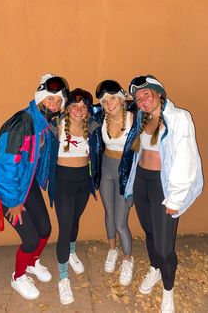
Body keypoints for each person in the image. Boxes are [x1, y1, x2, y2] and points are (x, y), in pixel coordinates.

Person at [124, 75, 203, 312]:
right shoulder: (141, 118)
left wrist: (176, 198)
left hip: (163, 187)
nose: (143, 101)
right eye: (138, 98)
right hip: (142, 182)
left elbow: (186, 159)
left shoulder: (179, 118)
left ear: (158, 93)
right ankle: (154, 269)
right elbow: (135, 154)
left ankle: (168, 292)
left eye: (146, 94)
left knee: (165, 246)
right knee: (149, 232)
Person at [0, 73, 69, 300]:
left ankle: (32, 263)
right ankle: (18, 276)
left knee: (45, 229)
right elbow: (3, 167)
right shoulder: (21, 123)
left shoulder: (44, 123)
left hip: (26, 183)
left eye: (58, 101)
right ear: (40, 97)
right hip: (7, 191)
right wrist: (13, 202)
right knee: (31, 239)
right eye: (50, 99)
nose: (54, 105)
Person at [48, 88, 101, 305]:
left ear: (88, 111)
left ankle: (71, 252)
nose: (78, 110)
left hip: (83, 182)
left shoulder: (93, 127)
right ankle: (63, 279)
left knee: (75, 220)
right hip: (63, 182)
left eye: (83, 107)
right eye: (74, 106)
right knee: (65, 225)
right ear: (67, 108)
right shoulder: (56, 125)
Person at [95, 80, 135, 286]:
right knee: (109, 213)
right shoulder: (100, 118)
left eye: (112, 98)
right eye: (104, 101)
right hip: (105, 170)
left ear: (121, 98)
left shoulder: (133, 119)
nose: (109, 103)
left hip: (125, 173)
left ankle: (128, 260)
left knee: (121, 221)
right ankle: (112, 250)